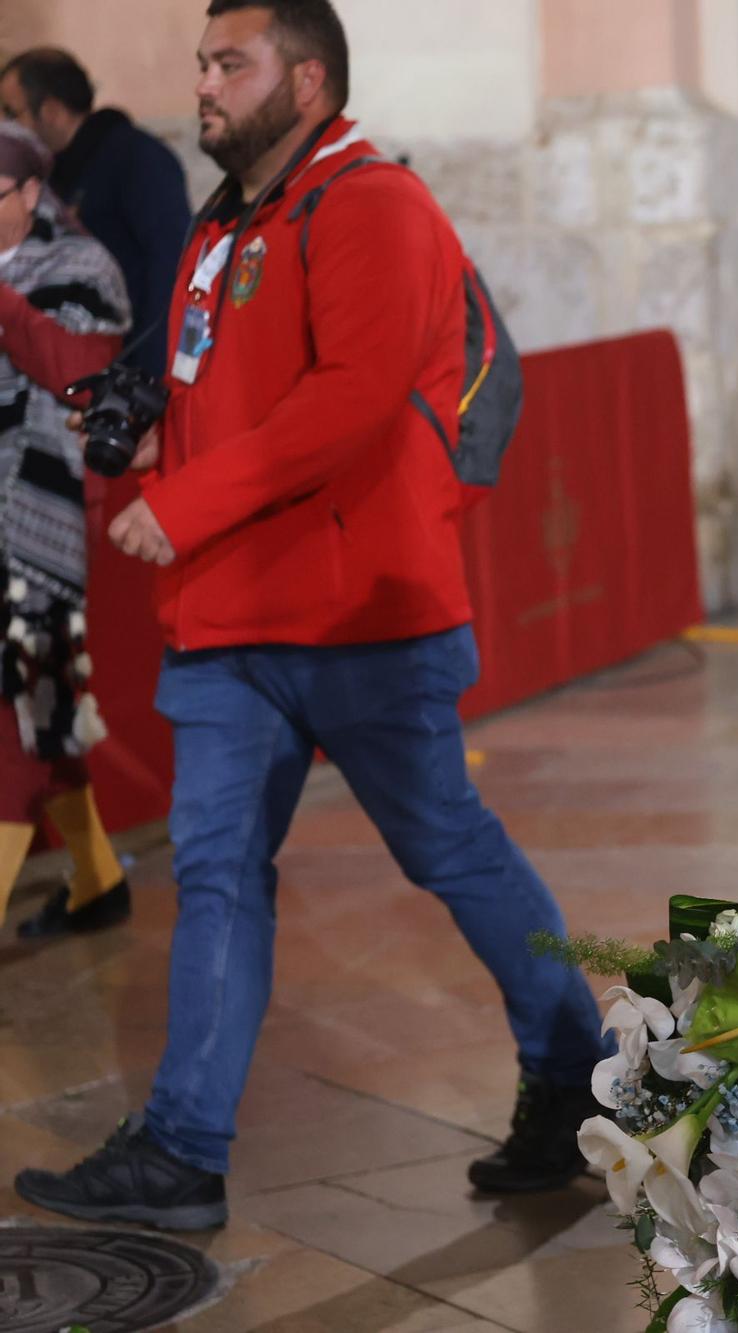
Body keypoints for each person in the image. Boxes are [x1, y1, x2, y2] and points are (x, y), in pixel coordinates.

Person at [11, 0, 608, 1231]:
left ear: (310, 79)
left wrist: (185, 504)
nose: (207, 86)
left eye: (233, 64)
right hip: (229, 622)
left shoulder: (373, 202)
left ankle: (578, 1077)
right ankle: (182, 1150)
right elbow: (201, 383)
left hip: (359, 615)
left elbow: (353, 396)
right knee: (220, 873)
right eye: (201, 64)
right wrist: (137, 423)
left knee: (447, 847)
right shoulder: (221, 224)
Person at [0, 123, 133, 939]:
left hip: (35, 528)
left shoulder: (83, 264)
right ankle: (98, 880)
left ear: (25, 192)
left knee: (13, 720)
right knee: (43, 710)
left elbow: (78, 371)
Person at [1, 48, 192, 378]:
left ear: (52, 112)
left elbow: (171, 268)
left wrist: (147, 380)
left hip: (130, 362)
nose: (5, 125)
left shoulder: (138, 159)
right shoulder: (55, 174)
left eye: (11, 112)